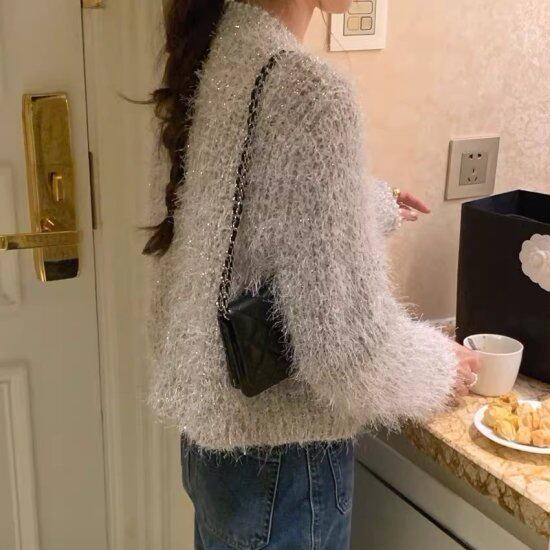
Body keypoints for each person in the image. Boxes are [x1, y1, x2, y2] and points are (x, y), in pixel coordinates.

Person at [143, 1, 481, 548]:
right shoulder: (311, 92)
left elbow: (249, 217)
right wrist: (444, 366)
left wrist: (368, 205)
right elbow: (347, 355)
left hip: (219, 450)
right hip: (284, 466)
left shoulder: (223, 47)